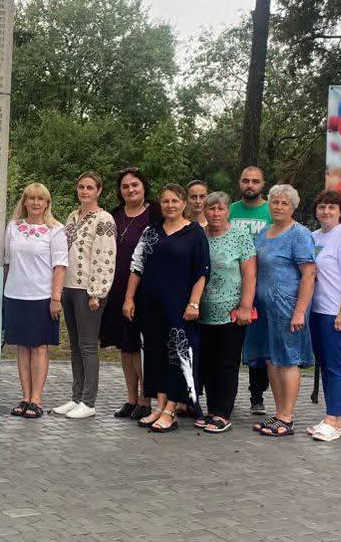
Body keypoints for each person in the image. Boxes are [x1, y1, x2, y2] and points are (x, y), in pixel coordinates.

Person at [124, 184, 209, 434]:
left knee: (176, 355)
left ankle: (171, 409)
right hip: (151, 306)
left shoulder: (194, 233)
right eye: (165, 201)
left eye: (175, 201)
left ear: (184, 204)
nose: (170, 205)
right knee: (155, 355)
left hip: (180, 307)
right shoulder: (151, 231)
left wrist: (194, 302)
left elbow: (202, 271)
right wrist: (129, 298)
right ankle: (159, 406)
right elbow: (137, 266)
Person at [245, 184, 318, 437]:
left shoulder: (299, 234)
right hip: (264, 309)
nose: (278, 207)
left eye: (284, 203)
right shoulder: (264, 233)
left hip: (288, 307)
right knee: (271, 360)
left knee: (287, 360)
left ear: (293, 208)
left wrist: (300, 311)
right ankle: (278, 414)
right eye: (274, 202)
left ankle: (287, 417)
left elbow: (309, 274)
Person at [2, 183, 68, 418]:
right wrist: (3, 293)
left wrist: (56, 298)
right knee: (22, 347)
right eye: (31, 198)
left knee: (39, 347)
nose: (36, 203)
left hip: (42, 297)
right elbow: (7, 262)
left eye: (41, 199)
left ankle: (36, 399)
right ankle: (25, 396)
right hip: (15, 295)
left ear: (47, 203)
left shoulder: (55, 230)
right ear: (25, 202)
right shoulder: (13, 227)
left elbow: (60, 267)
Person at [55, 171, 116, 419]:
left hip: (88, 290)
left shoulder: (104, 219)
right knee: (75, 345)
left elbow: (105, 256)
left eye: (90, 187)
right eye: (81, 187)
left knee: (88, 345)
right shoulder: (72, 217)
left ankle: (89, 402)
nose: (85, 191)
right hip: (69, 287)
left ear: (99, 190)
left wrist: (97, 293)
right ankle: (76, 397)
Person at [194, 192, 254, 435]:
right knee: (207, 363)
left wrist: (246, 307)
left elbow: (249, 275)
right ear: (204, 211)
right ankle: (211, 409)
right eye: (211, 208)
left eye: (220, 209)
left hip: (231, 313)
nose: (215, 213)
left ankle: (223, 413)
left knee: (226, 364)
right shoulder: (199, 236)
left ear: (228, 211)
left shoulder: (240, 236)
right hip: (202, 313)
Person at [307, 190, 341, 442]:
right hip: (318, 311)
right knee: (325, 364)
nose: (326, 211)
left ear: (340, 212)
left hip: (339, 313)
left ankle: (334, 416)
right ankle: (334, 420)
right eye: (322, 207)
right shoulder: (313, 237)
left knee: (337, 365)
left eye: (331, 207)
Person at [100, 168, 154, 419]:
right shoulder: (113, 216)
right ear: (119, 191)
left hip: (144, 290)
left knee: (141, 347)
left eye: (135, 185)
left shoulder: (155, 213)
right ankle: (131, 399)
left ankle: (146, 400)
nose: (131, 190)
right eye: (125, 186)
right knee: (125, 347)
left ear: (144, 187)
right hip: (117, 289)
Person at [228, 166, 271, 415]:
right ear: (240, 182)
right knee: (230, 346)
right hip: (231, 285)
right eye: (246, 180)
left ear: (263, 184)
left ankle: (257, 396)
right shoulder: (230, 210)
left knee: (258, 345)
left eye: (255, 181)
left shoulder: (270, 211)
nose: (250, 185)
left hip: (262, 285)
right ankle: (226, 395)